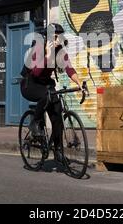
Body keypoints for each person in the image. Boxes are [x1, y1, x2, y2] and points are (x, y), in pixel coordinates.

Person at [20, 23, 81, 162]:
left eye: (60, 35)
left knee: (57, 116)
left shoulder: (60, 51)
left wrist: (79, 83)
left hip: (45, 84)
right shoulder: (40, 48)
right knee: (45, 95)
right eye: (55, 35)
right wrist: (47, 55)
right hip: (30, 83)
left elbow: (69, 69)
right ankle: (35, 123)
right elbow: (35, 72)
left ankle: (58, 150)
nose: (58, 38)